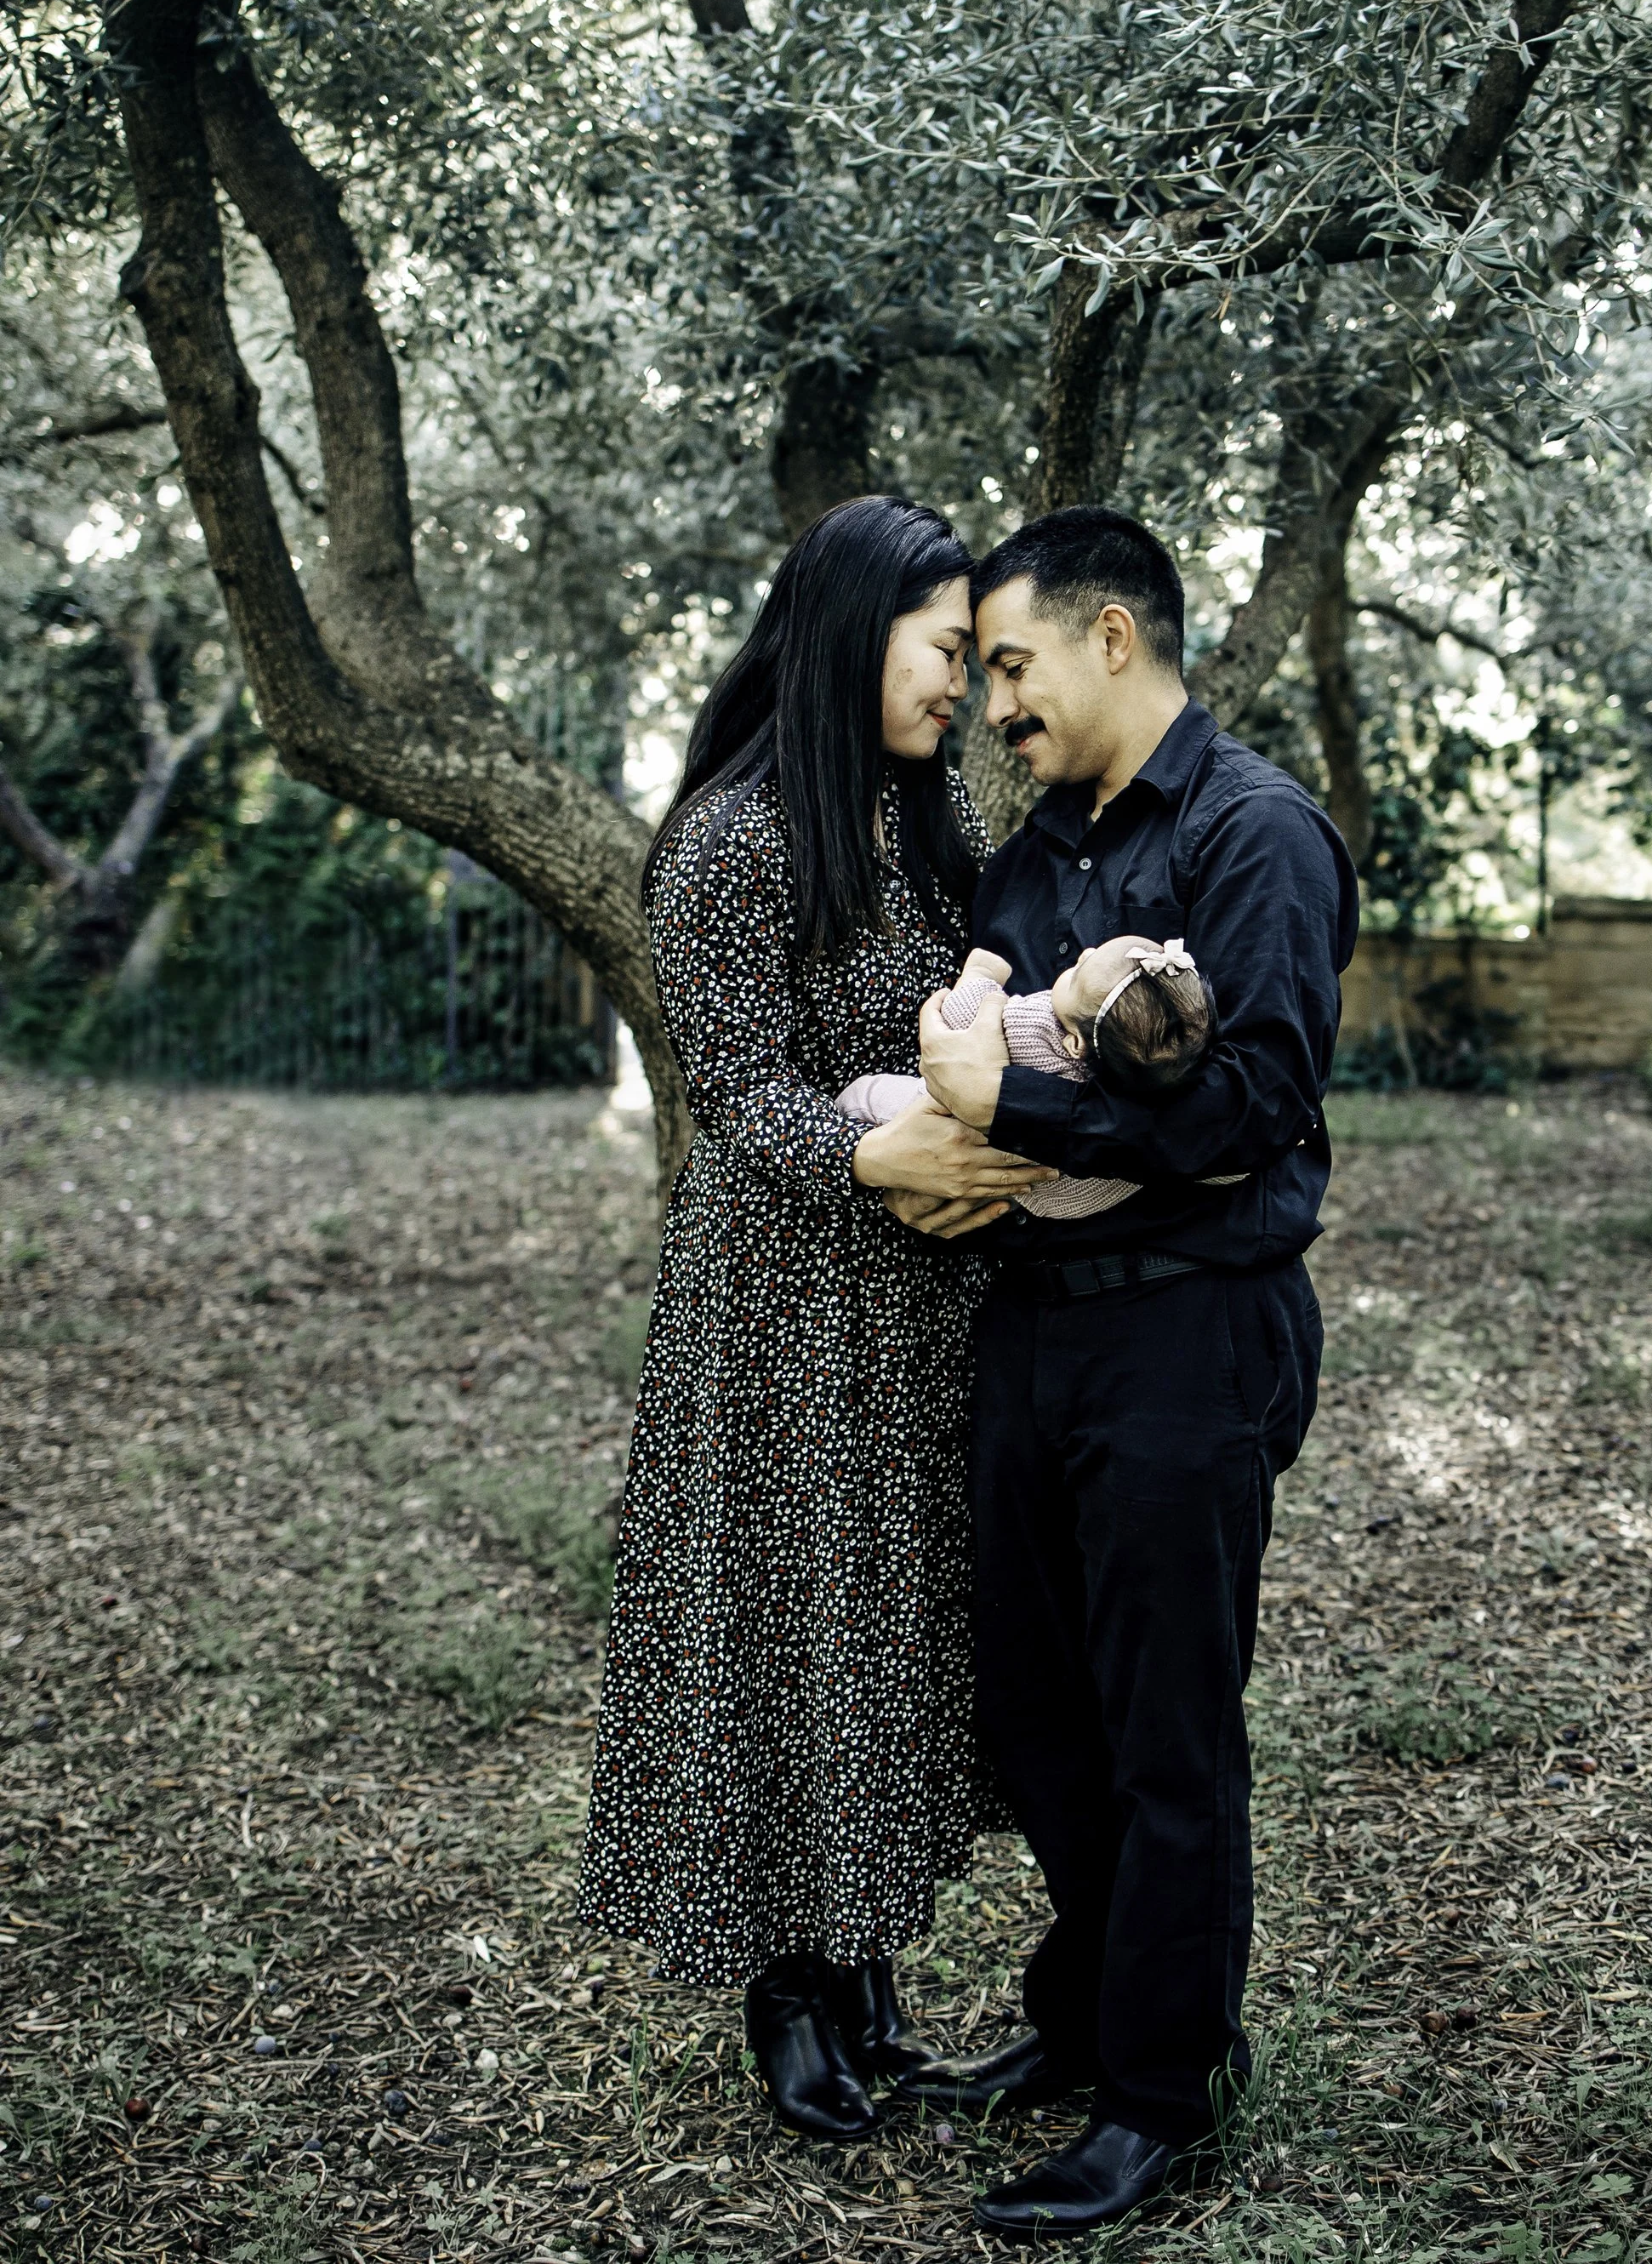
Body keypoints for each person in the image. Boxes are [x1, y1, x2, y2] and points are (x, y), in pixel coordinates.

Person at [577, 497, 1055, 2141]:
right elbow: (734, 1087)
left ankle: (866, 1958)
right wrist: (875, 1153)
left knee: (888, 1632)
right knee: (789, 1630)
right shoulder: (732, 841)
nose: (964, 687)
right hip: (782, 1309)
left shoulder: (928, 818)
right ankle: (789, 1983)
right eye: (945, 651)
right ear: (856, 634)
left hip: (921, 1306)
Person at [909, 506, 1359, 2239]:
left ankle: (1162, 2090)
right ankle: (1086, 2021)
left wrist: (1005, 1107)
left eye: (1012, 665)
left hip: (1186, 1331)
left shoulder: (1256, 834)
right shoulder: (1036, 850)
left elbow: (1248, 1108)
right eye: (980, 676)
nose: (995, 704)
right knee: (1039, 1718)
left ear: (1112, 636)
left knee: (1165, 1732)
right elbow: (987, 1035)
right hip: (1029, 1328)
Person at [835, 933, 1232, 1218]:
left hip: (955, 1131)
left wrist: (979, 974)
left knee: (872, 1094)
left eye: (1077, 973)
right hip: (1064, 1194)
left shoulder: (1040, 1028)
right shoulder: (1152, 1091)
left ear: (1075, 1043)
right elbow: (1222, 1166)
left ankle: (846, 1112)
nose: (1084, 952)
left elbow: (964, 1020)